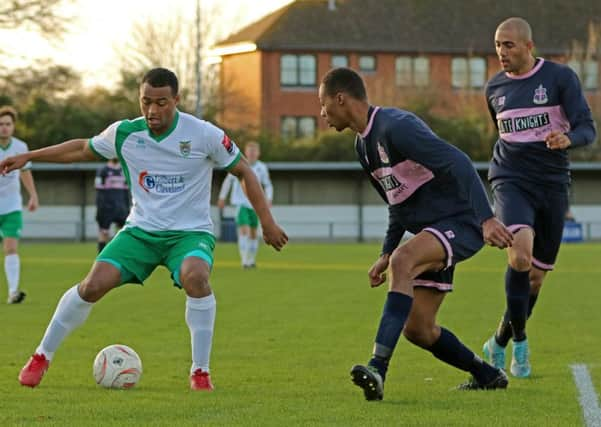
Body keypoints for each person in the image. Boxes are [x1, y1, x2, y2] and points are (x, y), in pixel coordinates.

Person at [0, 68, 288, 390]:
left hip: (189, 233)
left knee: (196, 277)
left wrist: (268, 221)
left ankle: (200, 371)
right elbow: (82, 148)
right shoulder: (125, 134)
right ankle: (42, 355)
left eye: (161, 102)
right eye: (146, 102)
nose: (152, 110)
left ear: (176, 100)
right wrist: (28, 157)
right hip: (141, 231)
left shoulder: (203, 134)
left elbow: (244, 172)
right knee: (92, 285)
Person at [318, 67, 514, 401]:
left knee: (404, 259)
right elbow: (398, 205)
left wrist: (486, 219)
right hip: (433, 232)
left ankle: (378, 367)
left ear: (341, 99)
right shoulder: (362, 147)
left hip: (462, 221)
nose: (322, 114)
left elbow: (460, 161)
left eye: (323, 105)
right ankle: (487, 374)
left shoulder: (397, 127)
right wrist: (384, 253)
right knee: (418, 329)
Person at [481, 17, 596, 378]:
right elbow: (500, 133)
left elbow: (587, 128)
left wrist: (568, 139)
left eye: (509, 45)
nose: (502, 52)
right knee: (520, 257)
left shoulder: (561, 79)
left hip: (552, 184)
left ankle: (498, 341)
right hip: (511, 180)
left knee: (535, 278)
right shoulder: (494, 88)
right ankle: (521, 343)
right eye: (498, 44)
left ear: (529, 47)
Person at [0, 106, 39, 304]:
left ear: (13, 126)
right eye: (1, 124)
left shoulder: (20, 147)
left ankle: (13, 292)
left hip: (12, 206)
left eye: (7, 124)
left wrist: (33, 195)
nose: (4, 128)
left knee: (11, 248)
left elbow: (25, 172)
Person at [217, 142, 273, 268]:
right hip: (241, 203)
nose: (252, 154)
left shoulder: (262, 168)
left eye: (254, 151)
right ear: (246, 152)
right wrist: (222, 197)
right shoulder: (239, 164)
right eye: (250, 151)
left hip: (255, 206)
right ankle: (244, 261)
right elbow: (228, 181)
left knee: (253, 233)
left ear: (258, 153)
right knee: (244, 231)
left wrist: (268, 199)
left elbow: (268, 185)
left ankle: (251, 260)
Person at [95, 158, 130, 253]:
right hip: (106, 208)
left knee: (124, 232)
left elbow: (126, 192)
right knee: (104, 232)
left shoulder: (124, 170)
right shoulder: (103, 170)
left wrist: (127, 208)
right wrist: (100, 208)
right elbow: (99, 192)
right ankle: (101, 256)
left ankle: (121, 254)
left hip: (121, 208)